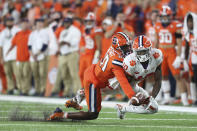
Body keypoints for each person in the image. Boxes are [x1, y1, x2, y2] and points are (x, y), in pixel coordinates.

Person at [48, 32, 136, 120]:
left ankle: (78, 98)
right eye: (125, 47)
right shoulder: (116, 61)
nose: (128, 48)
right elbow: (123, 81)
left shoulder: (116, 50)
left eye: (128, 45)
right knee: (93, 114)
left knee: (114, 85)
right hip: (93, 81)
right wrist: (132, 97)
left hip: (95, 73)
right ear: (118, 48)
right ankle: (61, 114)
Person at [115, 35, 162, 119]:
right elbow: (126, 82)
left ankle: (123, 108)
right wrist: (135, 97)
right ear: (134, 51)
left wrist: (152, 98)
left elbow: (158, 80)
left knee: (153, 108)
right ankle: (124, 108)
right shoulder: (130, 61)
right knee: (148, 105)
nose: (142, 54)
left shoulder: (157, 56)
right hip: (122, 84)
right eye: (139, 52)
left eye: (144, 51)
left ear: (150, 49)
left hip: (135, 83)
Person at [154, 5, 188, 105]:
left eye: (167, 16)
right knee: (163, 76)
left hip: (171, 51)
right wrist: (154, 53)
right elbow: (157, 41)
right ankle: (167, 98)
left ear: (170, 16)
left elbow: (179, 42)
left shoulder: (176, 25)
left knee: (178, 76)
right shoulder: (157, 25)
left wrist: (178, 56)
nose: (165, 18)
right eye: (163, 16)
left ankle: (184, 98)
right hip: (161, 52)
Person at [52, 17, 81, 97]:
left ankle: (77, 92)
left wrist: (66, 42)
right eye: (64, 22)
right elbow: (60, 42)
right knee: (64, 74)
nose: (65, 24)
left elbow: (75, 42)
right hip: (63, 54)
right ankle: (67, 91)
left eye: (67, 22)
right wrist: (62, 44)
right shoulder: (63, 31)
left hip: (72, 53)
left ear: (70, 23)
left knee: (74, 73)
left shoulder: (75, 30)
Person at [6, 19, 31, 95]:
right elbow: (13, 44)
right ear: (21, 25)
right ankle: (21, 89)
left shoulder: (31, 33)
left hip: (28, 58)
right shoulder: (18, 34)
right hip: (19, 58)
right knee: (19, 75)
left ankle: (25, 90)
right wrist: (8, 51)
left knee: (26, 74)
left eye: (26, 23)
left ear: (28, 24)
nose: (24, 25)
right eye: (23, 23)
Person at [28, 18, 49, 96]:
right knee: (35, 74)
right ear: (35, 24)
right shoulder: (32, 34)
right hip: (33, 57)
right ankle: (37, 90)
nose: (40, 24)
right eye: (38, 22)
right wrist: (32, 55)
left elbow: (45, 45)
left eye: (41, 22)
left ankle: (43, 90)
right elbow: (29, 46)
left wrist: (37, 54)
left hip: (42, 56)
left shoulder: (45, 32)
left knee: (42, 74)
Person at [0, 17, 21, 94]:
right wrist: (1, 57)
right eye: (8, 21)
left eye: (11, 21)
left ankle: (19, 88)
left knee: (17, 73)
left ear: (13, 22)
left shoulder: (18, 30)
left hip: (16, 56)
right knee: (8, 74)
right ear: (6, 22)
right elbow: (1, 46)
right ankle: (10, 88)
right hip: (6, 57)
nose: (9, 23)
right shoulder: (3, 32)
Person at [182, 12, 197, 105]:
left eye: (191, 21)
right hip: (193, 59)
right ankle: (194, 98)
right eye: (188, 22)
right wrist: (184, 60)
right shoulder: (189, 34)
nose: (189, 24)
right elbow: (187, 47)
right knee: (193, 79)